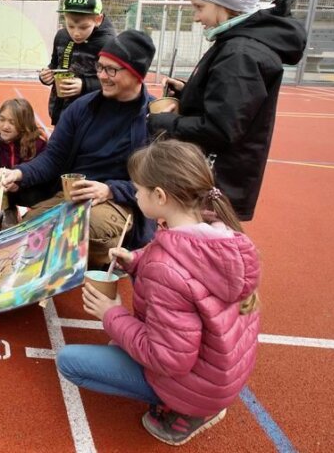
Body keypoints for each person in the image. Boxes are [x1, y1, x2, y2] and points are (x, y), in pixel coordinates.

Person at [56, 139, 261, 446]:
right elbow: (180, 276)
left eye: (138, 189)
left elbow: (168, 360)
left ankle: (185, 411)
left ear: (160, 196)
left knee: (69, 361)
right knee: (132, 327)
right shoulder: (219, 233)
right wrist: (136, 260)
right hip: (221, 374)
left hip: (198, 387)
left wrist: (111, 314)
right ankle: (197, 401)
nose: (135, 194)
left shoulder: (166, 269)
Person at [147, 0, 306, 221]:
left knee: (203, 251)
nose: (196, 17)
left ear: (225, 5)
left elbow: (220, 128)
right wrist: (188, 92)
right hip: (217, 178)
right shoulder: (237, 46)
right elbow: (230, 102)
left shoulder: (240, 53)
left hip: (217, 181)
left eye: (199, 7)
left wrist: (162, 122)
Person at [0, 30, 158, 268]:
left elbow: (160, 182)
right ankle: (96, 253)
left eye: (111, 70)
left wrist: (110, 190)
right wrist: (18, 173)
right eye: (100, 67)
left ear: (137, 74)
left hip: (119, 201)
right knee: (28, 230)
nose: (102, 76)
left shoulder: (154, 117)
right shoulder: (81, 108)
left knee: (79, 228)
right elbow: (53, 157)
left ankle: (110, 247)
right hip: (73, 195)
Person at [39, 0, 116, 125]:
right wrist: (47, 76)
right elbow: (54, 65)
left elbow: (116, 82)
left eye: (83, 27)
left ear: (98, 19)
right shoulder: (61, 36)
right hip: (62, 114)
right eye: (71, 26)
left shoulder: (109, 43)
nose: (76, 33)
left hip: (92, 118)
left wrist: (85, 85)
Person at [0, 98, 49, 227]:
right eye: (2, 119)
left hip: (33, 194)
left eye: (12, 122)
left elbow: (46, 176)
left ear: (23, 124)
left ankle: (34, 214)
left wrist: (20, 183)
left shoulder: (38, 144)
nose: (5, 126)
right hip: (8, 194)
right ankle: (8, 211)